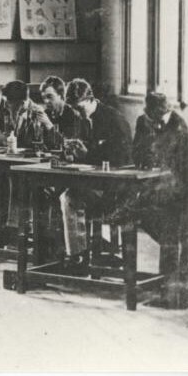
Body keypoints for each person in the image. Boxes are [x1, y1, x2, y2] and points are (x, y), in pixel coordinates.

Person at [132, 93, 188, 292]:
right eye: (152, 118)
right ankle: (170, 276)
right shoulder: (143, 122)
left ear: (167, 111)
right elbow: (135, 152)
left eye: (159, 119)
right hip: (158, 185)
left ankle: (179, 279)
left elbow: (183, 162)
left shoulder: (177, 124)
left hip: (184, 186)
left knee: (183, 228)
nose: (156, 123)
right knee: (149, 217)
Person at [59, 78, 133, 268]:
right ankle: (71, 252)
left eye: (79, 107)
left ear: (91, 99)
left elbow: (123, 159)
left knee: (69, 198)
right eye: (73, 109)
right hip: (95, 184)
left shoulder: (114, 119)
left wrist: (89, 154)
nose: (77, 112)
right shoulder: (83, 119)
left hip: (115, 191)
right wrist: (73, 155)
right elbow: (88, 155)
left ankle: (78, 257)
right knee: (59, 193)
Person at [0, 80, 52, 238]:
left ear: (22, 102)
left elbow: (40, 145)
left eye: (12, 104)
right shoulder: (5, 109)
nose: (8, 107)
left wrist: (5, 139)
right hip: (7, 165)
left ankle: (14, 229)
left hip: (29, 169)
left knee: (15, 179)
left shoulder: (36, 113)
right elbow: (2, 137)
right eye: (7, 103)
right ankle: (0, 224)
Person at [39, 75, 87, 149]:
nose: (46, 101)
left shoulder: (73, 115)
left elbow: (69, 145)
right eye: (43, 98)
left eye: (50, 97)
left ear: (61, 96)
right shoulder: (46, 114)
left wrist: (49, 125)